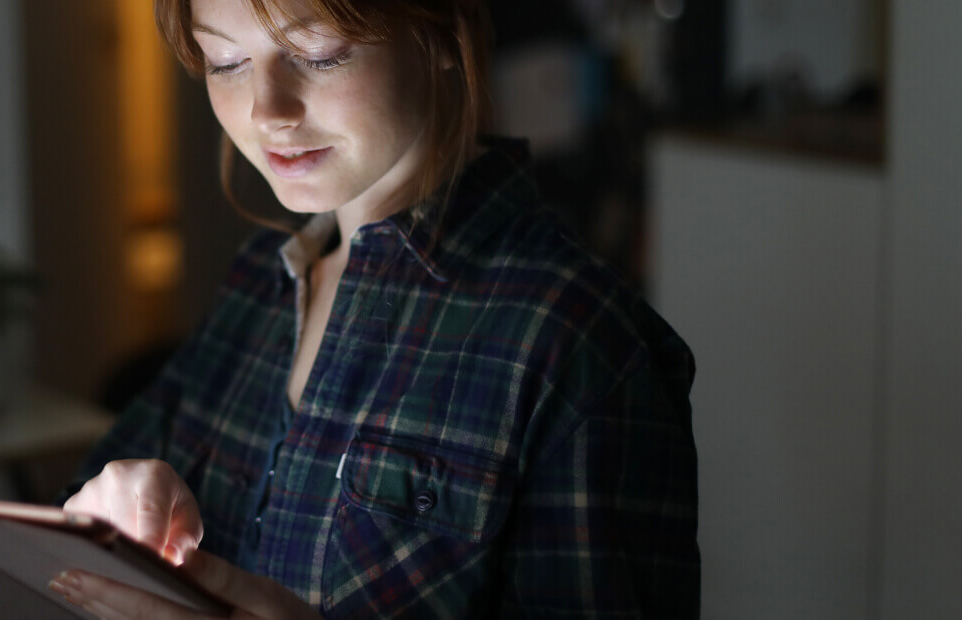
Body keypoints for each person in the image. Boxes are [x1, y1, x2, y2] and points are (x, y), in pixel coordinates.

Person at [48, 0, 700, 617]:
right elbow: (71, 530)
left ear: (442, 31)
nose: (267, 110)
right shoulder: (259, 282)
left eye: (321, 53)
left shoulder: (571, 338)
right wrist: (108, 507)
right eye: (225, 62)